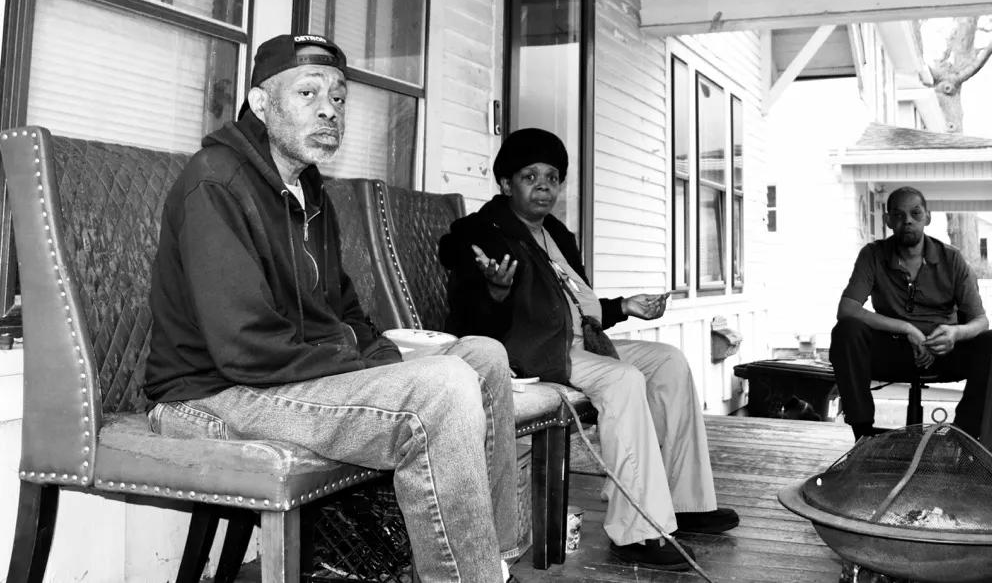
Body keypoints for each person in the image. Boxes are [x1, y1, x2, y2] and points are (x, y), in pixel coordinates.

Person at [144, 34, 521, 583]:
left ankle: (494, 561)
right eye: (308, 93)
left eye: (339, 98)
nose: (329, 109)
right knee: (442, 388)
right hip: (211, 393)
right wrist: (371, 366)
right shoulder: (216, 182)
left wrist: (386, 356)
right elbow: (244, 345)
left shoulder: (309, 193)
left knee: (483, 358)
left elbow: (346, 310)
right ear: (260, 103)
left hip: (284, 378)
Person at [438, 128, 739, 572]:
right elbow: (472, 322)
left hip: (577, 343)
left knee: (670, 363)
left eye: (553, 177)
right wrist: (496, 291)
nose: (544, 186)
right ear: (505, 183)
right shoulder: (481, 234)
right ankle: (637, 530)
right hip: (531, 354)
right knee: (623, 379)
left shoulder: (556, 234)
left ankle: (684, 500)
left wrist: (624, 307)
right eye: (529, 175)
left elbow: (573, 306)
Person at [829, 186, 992, 440]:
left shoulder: (952, 259)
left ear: (927, 217)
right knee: (846, 332)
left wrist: (955, 333)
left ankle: (963, 438)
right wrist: (907, 329)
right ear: (888, 220)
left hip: (944, 352)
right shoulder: (873, 255)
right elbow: (847, 309)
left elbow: (981, 321)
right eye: (898, 215)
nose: (908, 220)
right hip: (894, 350)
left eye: (915, 213)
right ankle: (863, 436)